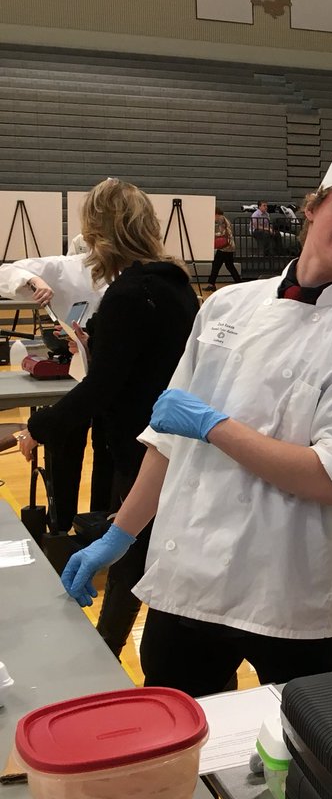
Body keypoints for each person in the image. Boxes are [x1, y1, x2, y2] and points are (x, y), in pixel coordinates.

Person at [59, 109, 332, 696]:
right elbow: (169, 440)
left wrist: (215, 426)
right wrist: (118, 537)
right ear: (313, 208)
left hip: (288, 590)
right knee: (180, 748)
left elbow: (327, 476)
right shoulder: (226, 306)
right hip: (189, 576)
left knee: (302, 760)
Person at [19, 179, 199, 656]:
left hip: (142, 442)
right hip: (168, 440)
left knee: (130, 550)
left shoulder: (130, 293)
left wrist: (37, 428)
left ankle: (107, 649)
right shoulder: (175, 284)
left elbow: (103, 387)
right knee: (137, 550)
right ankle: (111, 645)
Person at [0, 248, 110, 530]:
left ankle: (97, 527)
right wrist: (34, 282)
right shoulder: (65, 266)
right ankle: (60, 528)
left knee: (109, 454)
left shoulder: (129, 270)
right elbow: (5, 273)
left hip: (111, 376)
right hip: (75, 376)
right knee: (64, 451)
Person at [206, 207, 242, 291]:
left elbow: (223, 233)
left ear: (216, 213)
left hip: (225, 247)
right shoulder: (225, 219)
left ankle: (211, 284)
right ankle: (239, 282)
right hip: (229, 246)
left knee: (216, 264)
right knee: (229, 265)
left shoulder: (220, 219)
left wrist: (213, 234)